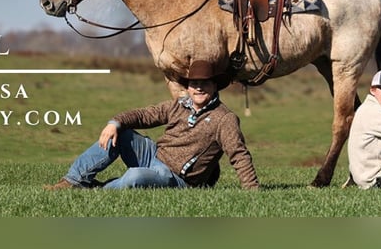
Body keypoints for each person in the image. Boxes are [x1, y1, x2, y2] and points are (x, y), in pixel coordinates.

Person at [44, 60, 260, 190]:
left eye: (205, 83)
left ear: (214, 86)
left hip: (176, 178)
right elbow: (146, 115)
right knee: (121, 134)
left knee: (135, 177)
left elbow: (239, 155)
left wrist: (252, 191)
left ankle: (97, 189)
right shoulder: (179, 104)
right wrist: (114, 122)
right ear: (189, 87)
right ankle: (72, 181)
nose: (199, 88)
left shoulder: (225, 119)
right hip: (154, 156)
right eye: (195, 83)